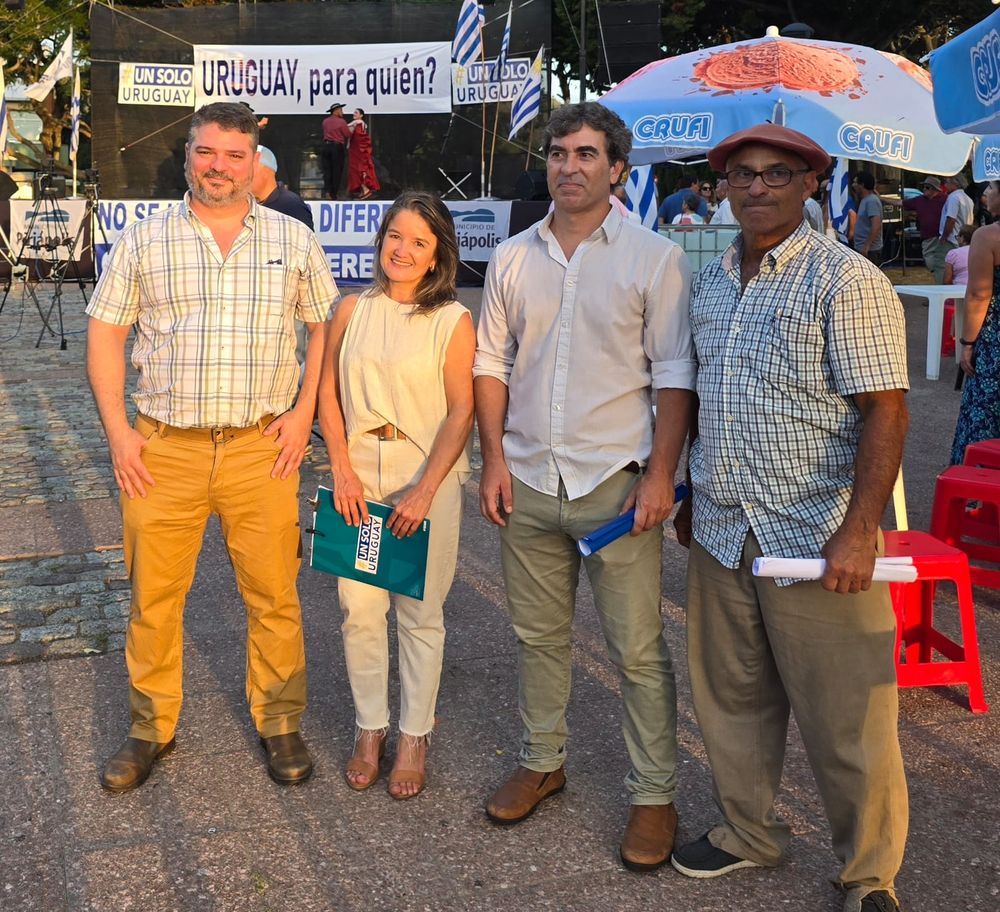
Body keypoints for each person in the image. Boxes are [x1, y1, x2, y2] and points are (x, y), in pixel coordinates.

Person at [671, 123, 909, 912]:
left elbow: (886, 410)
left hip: (815, 535)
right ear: (724, 186)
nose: (757, 186)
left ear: (811, 184)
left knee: (849, 720)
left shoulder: (847, 280)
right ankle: (749, 832)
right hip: (722, 528)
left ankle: (869, 874)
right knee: (731, 700)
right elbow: (704, 395)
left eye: (778, 173)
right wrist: (690, 491)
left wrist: (861, 528)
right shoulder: (710, 282)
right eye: (742, 173)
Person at [86, 102, 337, 792]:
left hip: (263, 448)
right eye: (206, 153)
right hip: (163, 450)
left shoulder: (292, 238)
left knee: (274, 595)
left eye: (234, 154)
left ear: (255, 159)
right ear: (187, 155)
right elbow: (106, 334)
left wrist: (303, 412)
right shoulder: (145, 240)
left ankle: (280, 721)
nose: (219, 167)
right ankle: (149, 728)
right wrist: (119, 435)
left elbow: (324, 328)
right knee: (153, 598)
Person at [475, 102, 696, 871]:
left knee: (637, 652)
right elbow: (492, 365)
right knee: (537, 638)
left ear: (617, 171)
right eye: (559, 152)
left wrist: (663, 476)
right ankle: (543, 760)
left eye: (586, 154)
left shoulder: (654, 258)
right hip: (529, 478)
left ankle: (654, 794)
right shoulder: (511, 258)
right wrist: (493, 461)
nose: (569, 165)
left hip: (617, 487)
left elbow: (674, 377)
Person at [317, 191, 475, 798]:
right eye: (394, 237)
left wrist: (425, 489)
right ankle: (369, 728)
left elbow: (462, 410)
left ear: (438, 256)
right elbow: (326, 392)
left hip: (422, 476)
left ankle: (414, 734)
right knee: (359, 608)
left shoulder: (451, 320)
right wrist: (341, 467)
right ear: (380, 240)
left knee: (418, 612)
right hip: (357, 472)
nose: (403, 251)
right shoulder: (351, 309)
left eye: (419, 242)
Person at [950, 180, 1000, 464]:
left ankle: (979, 497)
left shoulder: (987, 236)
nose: (986, 195)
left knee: (985, 417)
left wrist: (967, 343)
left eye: (993, 188)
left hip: (995, 342)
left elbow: (980, 293)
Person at [253, 145, 314, 229]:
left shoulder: (292, 205)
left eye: (250, 169)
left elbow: (307, 239)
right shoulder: (243, 204)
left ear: (266, 172)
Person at [902, 176, 947, 281]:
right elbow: (900, 203)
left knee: (937, 258)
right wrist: (881, 198)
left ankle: (939, 276)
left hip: (941, 235)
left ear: (933, 189)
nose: (924, 189)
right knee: (929, 258)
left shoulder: (946, 199)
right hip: (928, 236)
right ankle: (938, 275)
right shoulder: (920, 200)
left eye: (926, 187)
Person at [346, 108, 381, 201]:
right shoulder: (359, 125)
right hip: (357, 152)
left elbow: (359, 139)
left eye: (356, 113)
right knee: (359, 170)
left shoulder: (358, 124)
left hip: (358, 153)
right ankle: (363, 191)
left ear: (361, 115)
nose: (354, 114)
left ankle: (365, 190)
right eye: (354, 112)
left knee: (359, 170)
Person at [940, 173, 975, 259]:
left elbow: (951, 219)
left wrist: (944, 237)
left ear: (955, 183)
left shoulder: (953, 197)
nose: (945, 185)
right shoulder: (968, 199)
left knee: (942, 266)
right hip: (964, 239)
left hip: (952, 240)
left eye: (947, 182)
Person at [321, 102, 351, 200]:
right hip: (337, 147)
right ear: (336, 111)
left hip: (326, 147)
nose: (342, 112)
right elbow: (347, 134)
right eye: (341, 110)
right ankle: (334, 194)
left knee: (327, 171)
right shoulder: (341, 122)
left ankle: (327, 192)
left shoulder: (325, 122)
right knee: (336, 171)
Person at [852, 170, 883, 264]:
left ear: (862, 185)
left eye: (855, 182)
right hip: (862, 249)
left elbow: (876, 226)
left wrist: (866, 246)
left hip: (870, 251)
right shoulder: (864, 200)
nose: (853, 185)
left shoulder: (871, 201)